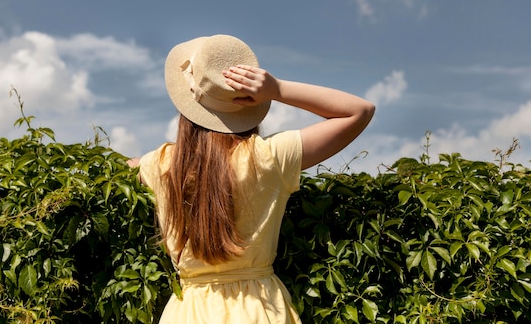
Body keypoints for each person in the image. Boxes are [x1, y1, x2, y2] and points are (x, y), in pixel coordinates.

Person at [127, 34, 375, 324]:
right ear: (247, 107)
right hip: (259, 308)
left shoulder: (161, 164)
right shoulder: (267, 157)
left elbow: (113, 168)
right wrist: (278, 89)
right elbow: (359, 111)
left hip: (187, 312)